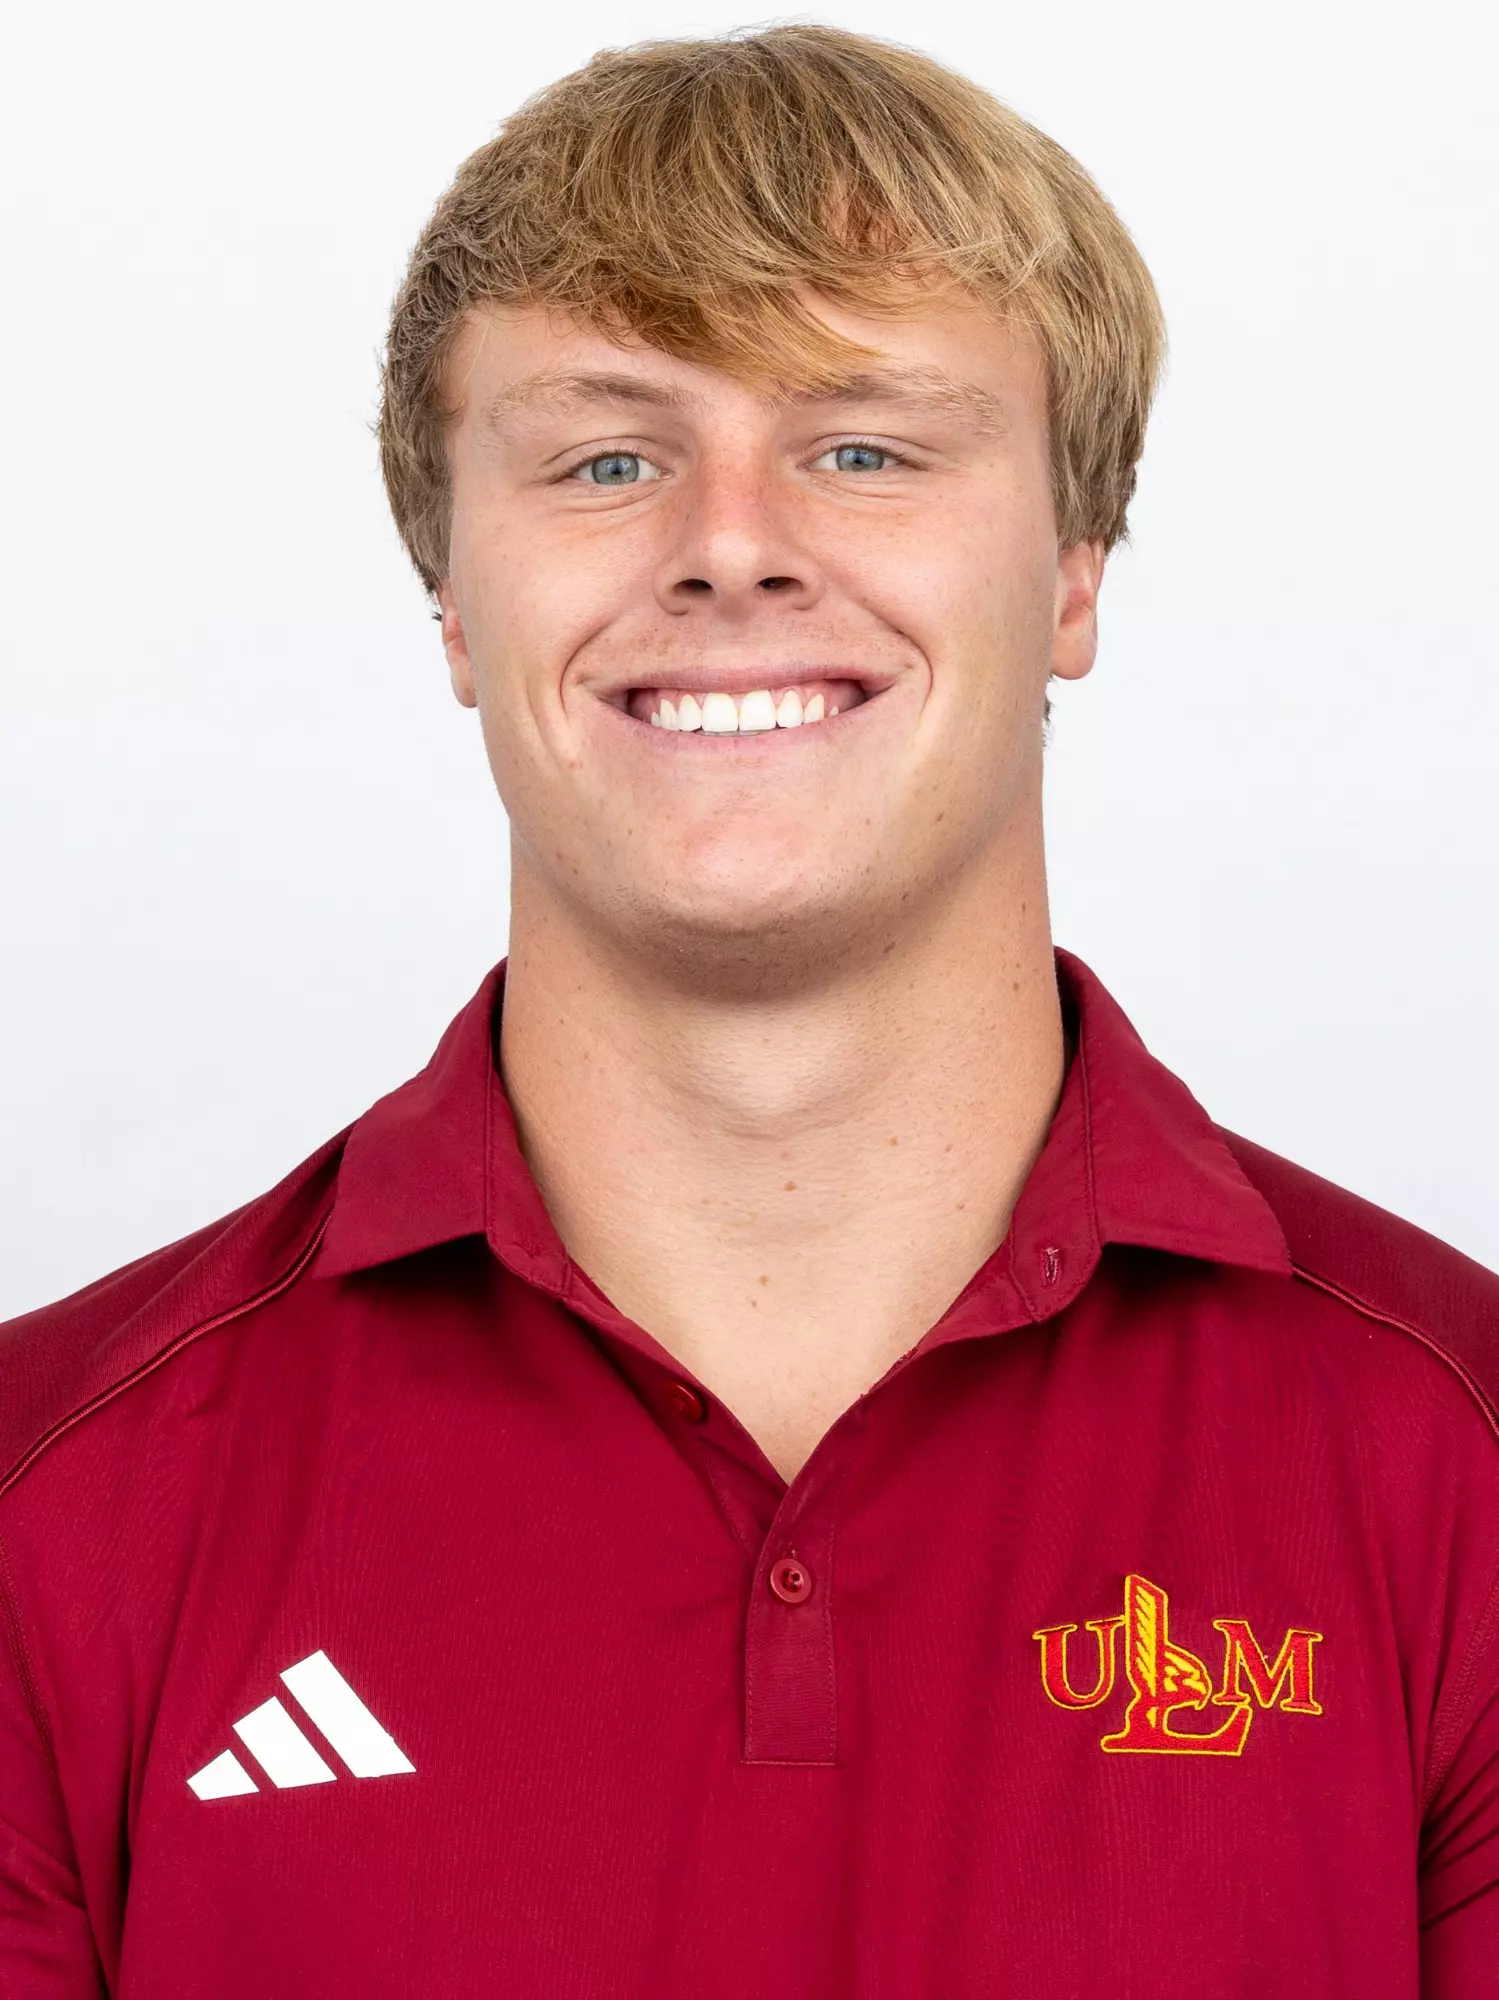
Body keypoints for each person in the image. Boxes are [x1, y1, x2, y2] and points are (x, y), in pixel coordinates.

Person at [1, 22, 1495, 1994]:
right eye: (608, 457)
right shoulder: (45, 1503)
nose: (726, 544)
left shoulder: (1458, 1460)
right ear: (453, 602)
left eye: (861, 446)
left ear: (1069, 575)